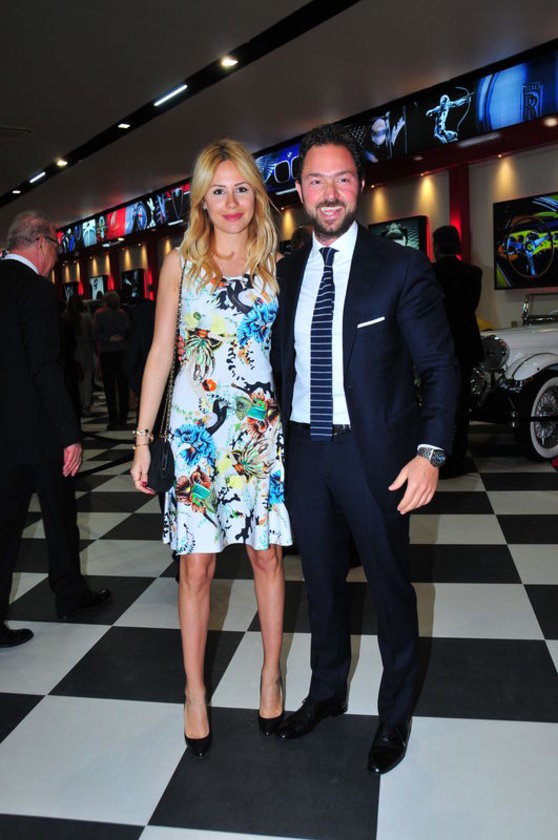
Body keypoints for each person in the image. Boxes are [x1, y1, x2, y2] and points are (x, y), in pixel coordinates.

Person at [272, 124, 458, 774]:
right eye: (317, 181)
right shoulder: (286, 271)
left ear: (361, 186)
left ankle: (395, 713)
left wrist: (429, 453)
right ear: (300, 192)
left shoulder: (400, 267)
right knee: (321, 583)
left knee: (389, 587)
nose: (330, 193)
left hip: (374, 456)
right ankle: (327, 692)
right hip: (305, 453)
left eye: (342, 179)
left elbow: (439, 366)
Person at [131, 139, 292, 757]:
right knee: (195, 566)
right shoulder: (181, 263)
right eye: (218, 190)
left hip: (258, 433)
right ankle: (194, 691)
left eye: (241, 188)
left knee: (267, 557)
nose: (231, 202)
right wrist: (143, 439)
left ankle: (271, 674)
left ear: (257, 195)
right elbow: (159, 356)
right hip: (196, 435)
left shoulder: (277, 262)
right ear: (202, 199)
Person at [0, 211, 111, 647]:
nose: (55, 258)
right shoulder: (38, 290)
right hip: (42, 432)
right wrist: (69, 433)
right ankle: (69, 596)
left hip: (4, 435)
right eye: (56, 248)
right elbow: (45, 367)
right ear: (41, 242)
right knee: (60, 519)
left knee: (3, 529)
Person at [432, 225, 483, 477]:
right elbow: (470, 308)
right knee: (461, 406)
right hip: (465, 347)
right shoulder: (474, 273)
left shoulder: (429, 273)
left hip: (437, 348)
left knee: (436, 404)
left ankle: (437, 459)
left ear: (437, 247)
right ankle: (458, 459)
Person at [93, 290, 131, 430]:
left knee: (109, 388)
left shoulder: (100, 315)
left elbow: (95, 334)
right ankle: (123, 418)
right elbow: (129, 331)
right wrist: (121, 337)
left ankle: (113, 419)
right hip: (122, 351)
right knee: (123, 386)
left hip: (107, 353)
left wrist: (108, 339)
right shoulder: (124, 315)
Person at [64, 294, 95, 415]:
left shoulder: (67, 317)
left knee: (77, 379)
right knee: (87, 377)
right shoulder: (86, 317)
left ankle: (79, 402)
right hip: (86, 348)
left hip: (73, 350)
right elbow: (93, 333)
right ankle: (87, 403)